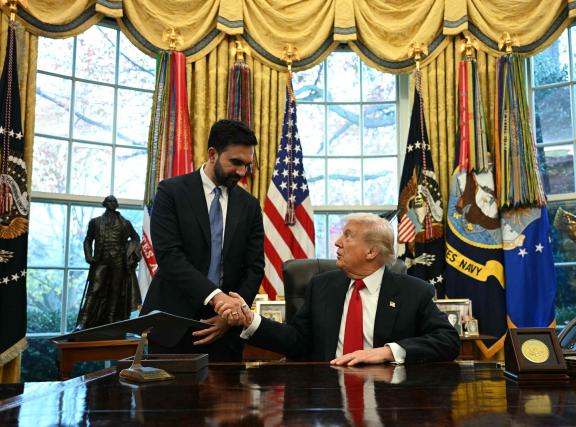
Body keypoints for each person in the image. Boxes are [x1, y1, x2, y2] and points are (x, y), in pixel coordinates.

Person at [216, 213, 460, 365]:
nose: (337, 242)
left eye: (348, 236)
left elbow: (448, 340)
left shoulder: (413, 292)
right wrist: (251, 320)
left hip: (389, 397)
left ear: (371, 252)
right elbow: (297, 341)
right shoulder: (323, 286)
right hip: (327, 392)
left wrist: (388, 352)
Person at [141, 119, 264, 361]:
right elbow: (169, 257)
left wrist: (231, 313)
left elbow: (254, 266)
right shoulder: (171, 192)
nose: (242, 172)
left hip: (226, 333)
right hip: (172, 327)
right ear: (212, 154)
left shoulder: (249, 205)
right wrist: (218, 298)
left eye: (247, 165)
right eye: (236, 163)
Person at [76, 195, 141, 329]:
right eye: (110, 201)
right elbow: (88, 240)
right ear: (105, 204)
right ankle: (83, 322)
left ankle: (111, 321)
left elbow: (136, 238)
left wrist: (129, 253)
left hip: (118, 261)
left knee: (115, 290)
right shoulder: (95, 222)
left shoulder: (125, 223)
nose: (113, 203)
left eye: (115, 201)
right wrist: (88, 256)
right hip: (101, 260)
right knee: (94, 289)